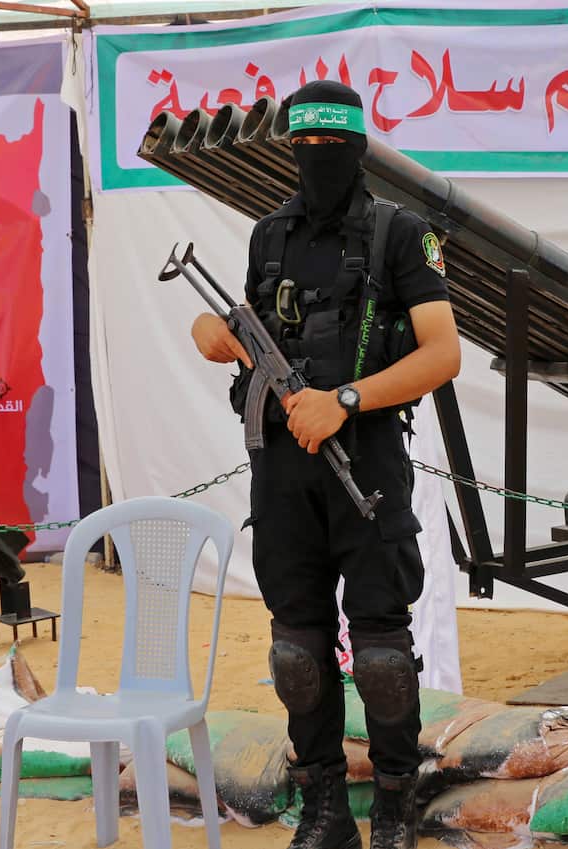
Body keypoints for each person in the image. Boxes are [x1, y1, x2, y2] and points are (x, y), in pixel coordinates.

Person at [190, 79, 461, 849]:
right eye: (303, 145)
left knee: (379, 653)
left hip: (364, 462)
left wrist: (344, 399)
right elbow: (255, 335)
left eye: (330, 146)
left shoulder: (400, 233)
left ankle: (396, 808)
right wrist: (213, 331)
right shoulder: (270, 235)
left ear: (357, 148)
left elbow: (443, 353)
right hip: (281, 468)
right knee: (296, 649)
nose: (316, 158)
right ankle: (324, 810)